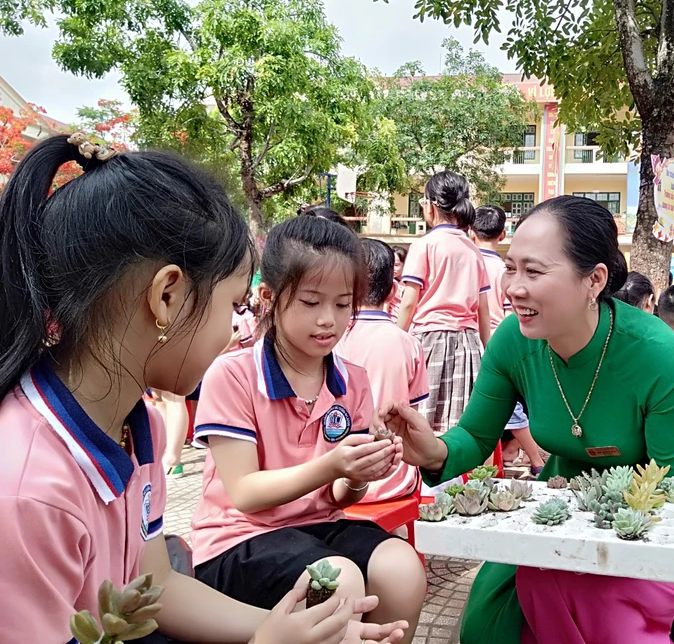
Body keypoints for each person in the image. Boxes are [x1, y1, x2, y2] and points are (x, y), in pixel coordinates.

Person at [0, 134, 407, 644]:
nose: (236, 329)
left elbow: (156, 585)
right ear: (167, 296)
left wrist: (290, 631)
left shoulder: (137, 424)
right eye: (235, 305)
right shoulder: (27, 491)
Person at [380, 196, 674, 644]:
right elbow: (477, 436)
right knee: (486, 626)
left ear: (594, 280)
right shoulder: (514, 342)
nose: (513, 288)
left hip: (650, 519)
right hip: (554, 510)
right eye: (511, 268)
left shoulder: (658, 356)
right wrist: (435, 450)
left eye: (534, 272)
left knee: (594, 616)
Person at [190, 216, 426, 644]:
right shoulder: (234, 374)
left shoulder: (352, 380)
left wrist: (356, 476)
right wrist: (331, 464)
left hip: (318, 526)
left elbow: (338, 496)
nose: (328, 321)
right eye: (311, 301)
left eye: (342, 305)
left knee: (403, 567)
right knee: (338, 582)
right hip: (237, 538)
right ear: (269, 297)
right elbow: (244, 493)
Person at [335, 238, 430, 502]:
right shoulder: (409, 343)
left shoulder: (328, 339)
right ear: (393, 290)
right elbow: (412, 416)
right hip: (394, 481)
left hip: (334, 482)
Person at [397, 172, 491, 432]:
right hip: (467, 343)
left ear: (431, 204)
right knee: (456, 424)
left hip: (429, 340)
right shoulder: (473, 250)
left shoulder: (424, 245)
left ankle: (422, 473)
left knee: (421, 420)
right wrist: (488, 353)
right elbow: (483, 310)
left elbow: (408, 303)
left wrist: (395, 340)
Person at [470, 204, 544, 476]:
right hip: (500, 338)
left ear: (471, 231)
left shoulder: (470, 261)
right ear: (502, 234)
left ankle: (528, 461)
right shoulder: (506, 269)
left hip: (475, 341)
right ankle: (533, 460)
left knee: (489, 411)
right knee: (505, 409)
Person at [387, 245, 407, 320]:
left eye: (396, 265)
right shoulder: (389, 282)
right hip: (392, 320)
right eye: (390, 264)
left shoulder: (411, 283)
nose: (393, 268)